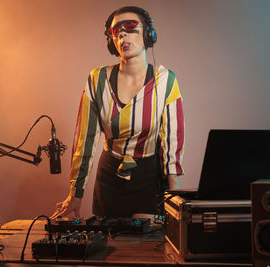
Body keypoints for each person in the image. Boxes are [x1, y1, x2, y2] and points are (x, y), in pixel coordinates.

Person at [50, 6, 184, 220]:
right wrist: (75, 194)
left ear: (148, 34)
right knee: (110, 246)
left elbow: (172, 143)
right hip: (110, 178)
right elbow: (85, 141)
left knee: (147, 247)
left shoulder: (166, 81)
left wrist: (175, 199)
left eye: (131, 27)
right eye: (116, 31)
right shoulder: (97, 79)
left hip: (149, 177)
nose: (122, 33)